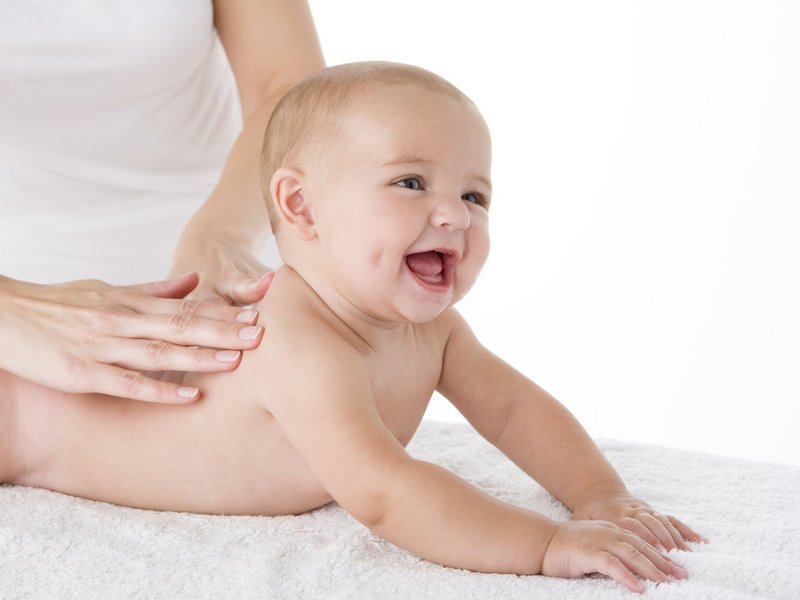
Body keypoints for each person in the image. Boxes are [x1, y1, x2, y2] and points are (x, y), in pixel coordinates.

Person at [0, 61, 707, 593]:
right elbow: (385, 493)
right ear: (301, 208)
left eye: (474, 194)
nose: (454, 215)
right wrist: (548, 545)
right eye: (411, 183)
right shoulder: (296, 339)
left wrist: (600, 494)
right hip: (19, 416)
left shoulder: (434, 332)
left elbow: (515, 410)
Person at [0, 1, 325, 403]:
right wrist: (9, 308)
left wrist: (219, 238)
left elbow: (288, 87)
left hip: (239, 252)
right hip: (30, 314)